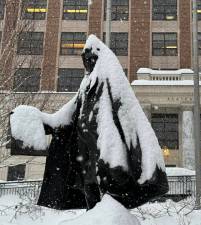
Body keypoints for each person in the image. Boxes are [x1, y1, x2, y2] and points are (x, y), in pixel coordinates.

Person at [9, 35, 169, 210]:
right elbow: (65, 117)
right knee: (89, 190)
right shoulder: (85, 85)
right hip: (83, 149)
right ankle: (96, 217)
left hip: (102, 147)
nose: (88, 62)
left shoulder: (109, 80)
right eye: (86, 59)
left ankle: (109, 218)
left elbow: (125, 114)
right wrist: (40, 120)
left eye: (91, 58)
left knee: (107, 190)